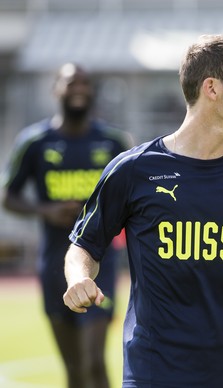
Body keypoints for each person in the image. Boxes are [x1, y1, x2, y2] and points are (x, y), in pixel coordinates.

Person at [62, 34, 223, 388]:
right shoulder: (133, 169)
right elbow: (84, 245)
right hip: (154, 371)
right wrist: (78, 277)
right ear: (212, 88)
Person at [0, 63, 131, 388]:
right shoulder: (35, 141)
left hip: (99, 264)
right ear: (55, 89)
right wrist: (46, 210)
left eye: (85, 83)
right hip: (53, 264)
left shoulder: (113, 141)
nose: (79, 89)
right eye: (71, 83)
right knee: (73, 370)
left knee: (93, 363)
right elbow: (8, 196)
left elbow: (136, 197)